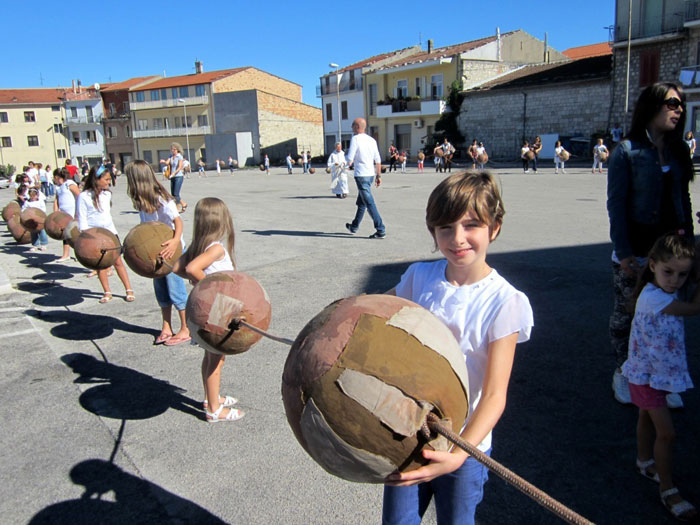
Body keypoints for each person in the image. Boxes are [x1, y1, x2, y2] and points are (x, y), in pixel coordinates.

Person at [382, 171, 533, 524]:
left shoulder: (504, 301)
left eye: (471, 225)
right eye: (446, 227)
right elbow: (376, 313)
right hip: (408, 434)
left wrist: (459, 454)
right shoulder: (419, 277)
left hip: (466, 447)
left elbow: (495, 395)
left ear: (494, 227)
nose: (458, 238)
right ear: (433, 231)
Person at [607, 82, 694, 407]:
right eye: (672, 103)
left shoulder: (678, 150)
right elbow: (616, 205)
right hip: (637, 250)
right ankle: (624, 372)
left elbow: (682, 198)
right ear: (652, 106)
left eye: (681, 104)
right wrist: (625, 252)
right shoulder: (626, 151)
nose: (679, 109)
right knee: (628, 315)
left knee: (665, 318)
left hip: (672, 250)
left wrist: (690, 242)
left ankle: (658, 378)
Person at [621, 233, 697, 521]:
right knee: (667, 433)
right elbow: (694, 309)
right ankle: (668, 489)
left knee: (645, 418)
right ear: (652, 265)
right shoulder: (654, 298)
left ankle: (644, 461)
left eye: (682, 274)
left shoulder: (663, 292)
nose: (675, 280)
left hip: (653, 375)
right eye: (669, 272)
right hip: (647, 376)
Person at [173, 197, 245, 423]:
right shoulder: (214, 248)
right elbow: (192, 268)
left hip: (209, 306)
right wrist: (209, 289)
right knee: (216, 358)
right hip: (217, 307)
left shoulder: (198, 245)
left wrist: (198, 282)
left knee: (211, 356)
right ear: (221, 223)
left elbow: (177, 267)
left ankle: (211, 397)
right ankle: (214, 410)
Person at [125, 160, 191, 347]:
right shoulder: (141, 201)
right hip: (154, 254)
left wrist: (175, 242)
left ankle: (185, 328)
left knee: (176, 289)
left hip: (171, 252)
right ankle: (166, 326)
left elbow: (178, 222)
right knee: (161, 291)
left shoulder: (162, 198)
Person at [76, 166, 135, 303]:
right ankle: (107, 291)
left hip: (110, 234)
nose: (109, 182)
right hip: (94, 236)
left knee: (118, 262)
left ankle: (128, 289)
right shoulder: (84, 197)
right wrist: (87, 239)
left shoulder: (107, 195)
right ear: (96, 179)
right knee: (101, 265)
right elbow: (82, 219)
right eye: (106, 179)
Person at [345, 118, 385, 239]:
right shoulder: (372, 140)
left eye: (352, 126)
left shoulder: (355, 139)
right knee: (361, 202)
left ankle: (380, 229)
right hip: (370, 175)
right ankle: (354, 226)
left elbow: (350, 158)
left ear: (357, 127)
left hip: (361, 175)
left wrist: (343, 165)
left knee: (369, 203)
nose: (351, 128)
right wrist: (378, 176)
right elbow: (378, 159)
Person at [52, 168, 79, 262]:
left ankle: (79, 253)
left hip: (72, 212)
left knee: (75, 234)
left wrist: (78, 212)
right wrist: (55, 213)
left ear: (57, 177)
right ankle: (66, 254)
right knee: (65, 234)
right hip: (63, 214)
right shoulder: (58, 187)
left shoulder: (69, 183)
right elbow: (56, 200)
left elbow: (79, 195)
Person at [159, 142, 188, 213]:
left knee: (176, 193)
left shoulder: (179, 156)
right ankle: (183, 204)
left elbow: (180, 167)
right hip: (172, 176)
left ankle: (177, 207)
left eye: (174, 149)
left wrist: (174, 173)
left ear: (177, 149)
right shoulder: (171, 156)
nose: (173, 151)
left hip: (178, 176)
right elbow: (167, 163)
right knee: (173, 194)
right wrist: (163, 161)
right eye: (172, 149)